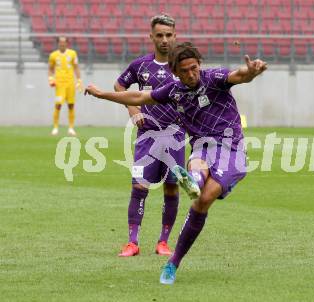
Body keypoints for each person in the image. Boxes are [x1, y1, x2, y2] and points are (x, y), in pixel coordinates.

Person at [85, 42, 267, 284]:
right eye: (184, 71)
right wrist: (103, 94)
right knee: (199, 186)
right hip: (202, 145)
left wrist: (252, 72)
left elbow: (239, 75)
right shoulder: (174, 91)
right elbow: (139, 96)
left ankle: (192, 196)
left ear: (199, 65)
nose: (191, 74)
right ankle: (174, 258)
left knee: (207, 196)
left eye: (194, 68)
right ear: (176, 72)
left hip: (231, 148)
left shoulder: (214, 78)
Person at [114, 14, 185, 257]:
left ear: (175, 36)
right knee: (139, 187)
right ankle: (132, 243)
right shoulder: (140, 66)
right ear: (151, 37)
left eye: (169, 35)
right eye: (160, 35)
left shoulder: (184, 66)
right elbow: (119, 86)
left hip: (175, 138)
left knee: (172, 189)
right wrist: (133, 111)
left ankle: (163, 242)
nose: (164, 40)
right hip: (147, 138)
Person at [48, 36, 82, 136]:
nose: (62, 44)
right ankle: (55, 128)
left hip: (70, 82)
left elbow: (76, 67)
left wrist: (79, 80)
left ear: (67, 43)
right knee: (58, 104)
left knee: (71, 105)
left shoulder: (72, 53)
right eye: (60, 42)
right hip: (59, 83)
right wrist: (50, 79)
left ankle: (71, 128)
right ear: (58, 43)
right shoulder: (53, 55)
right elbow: (50, 69)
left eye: (64, 42)